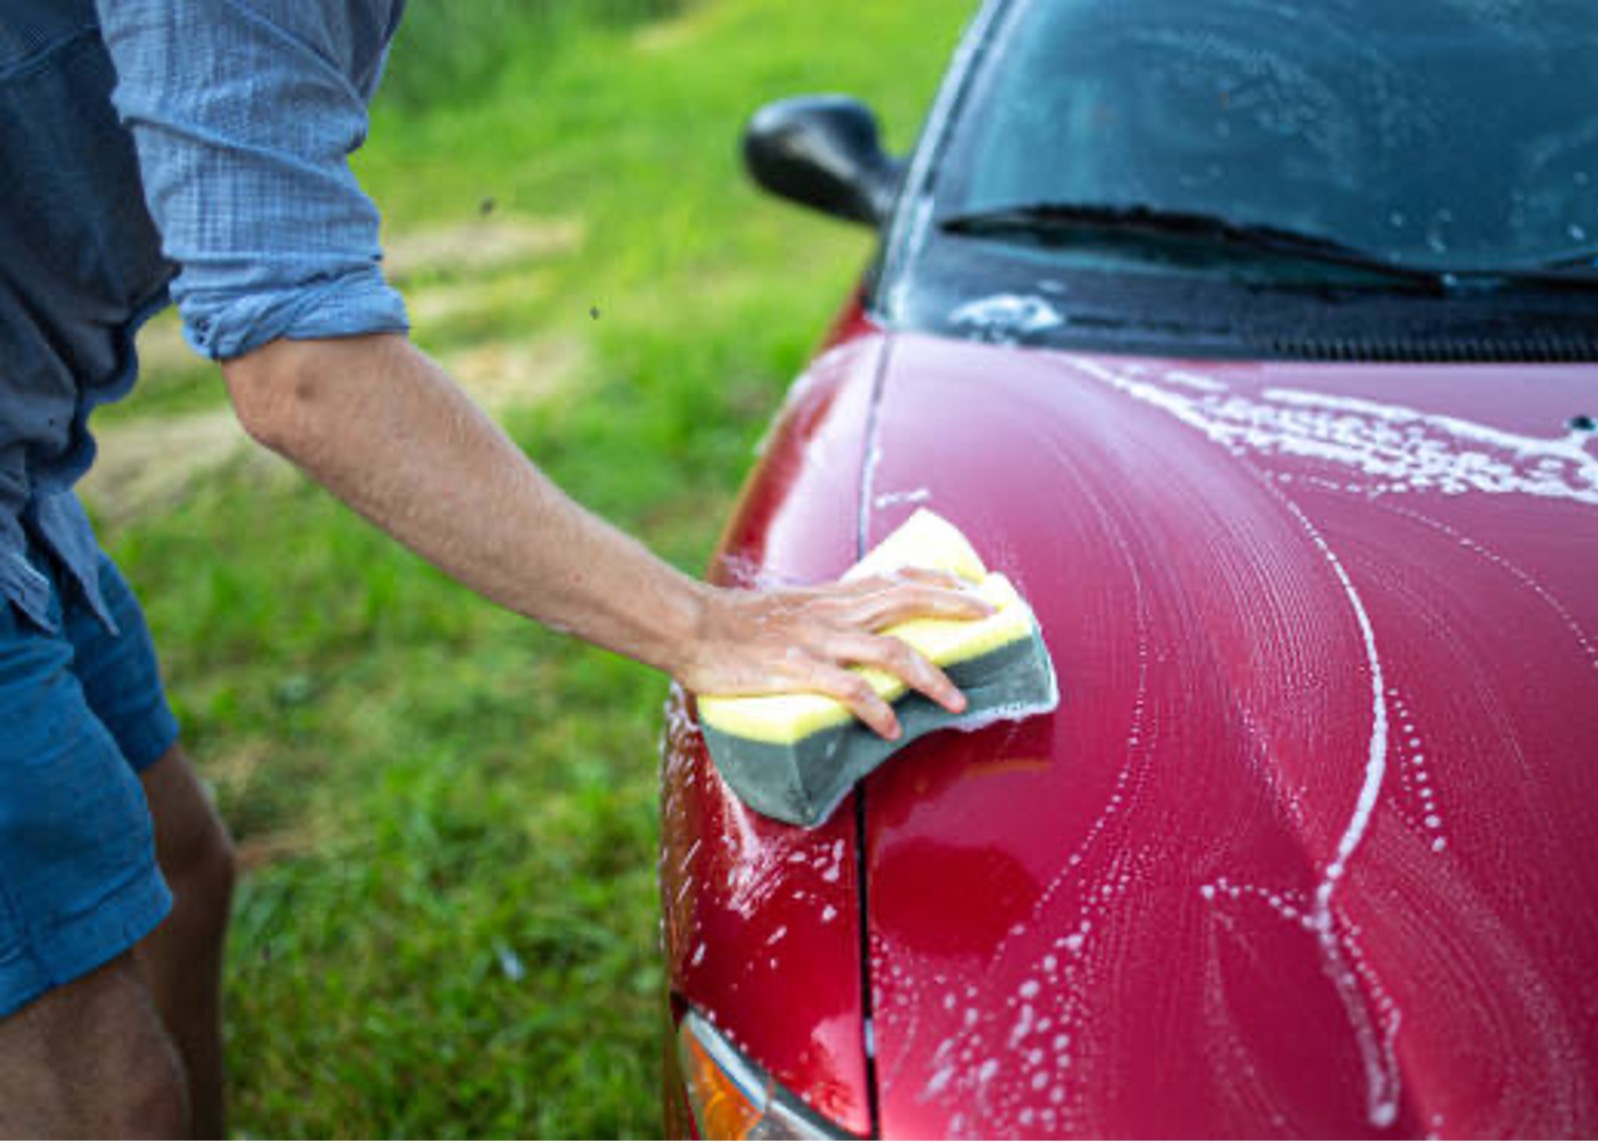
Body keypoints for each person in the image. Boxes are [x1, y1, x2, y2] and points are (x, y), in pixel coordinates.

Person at [0, 1, 985, 1136]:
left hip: (28, 465)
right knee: (101, 1085)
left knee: (181, 871)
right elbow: (302, 369)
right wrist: (704, 627)